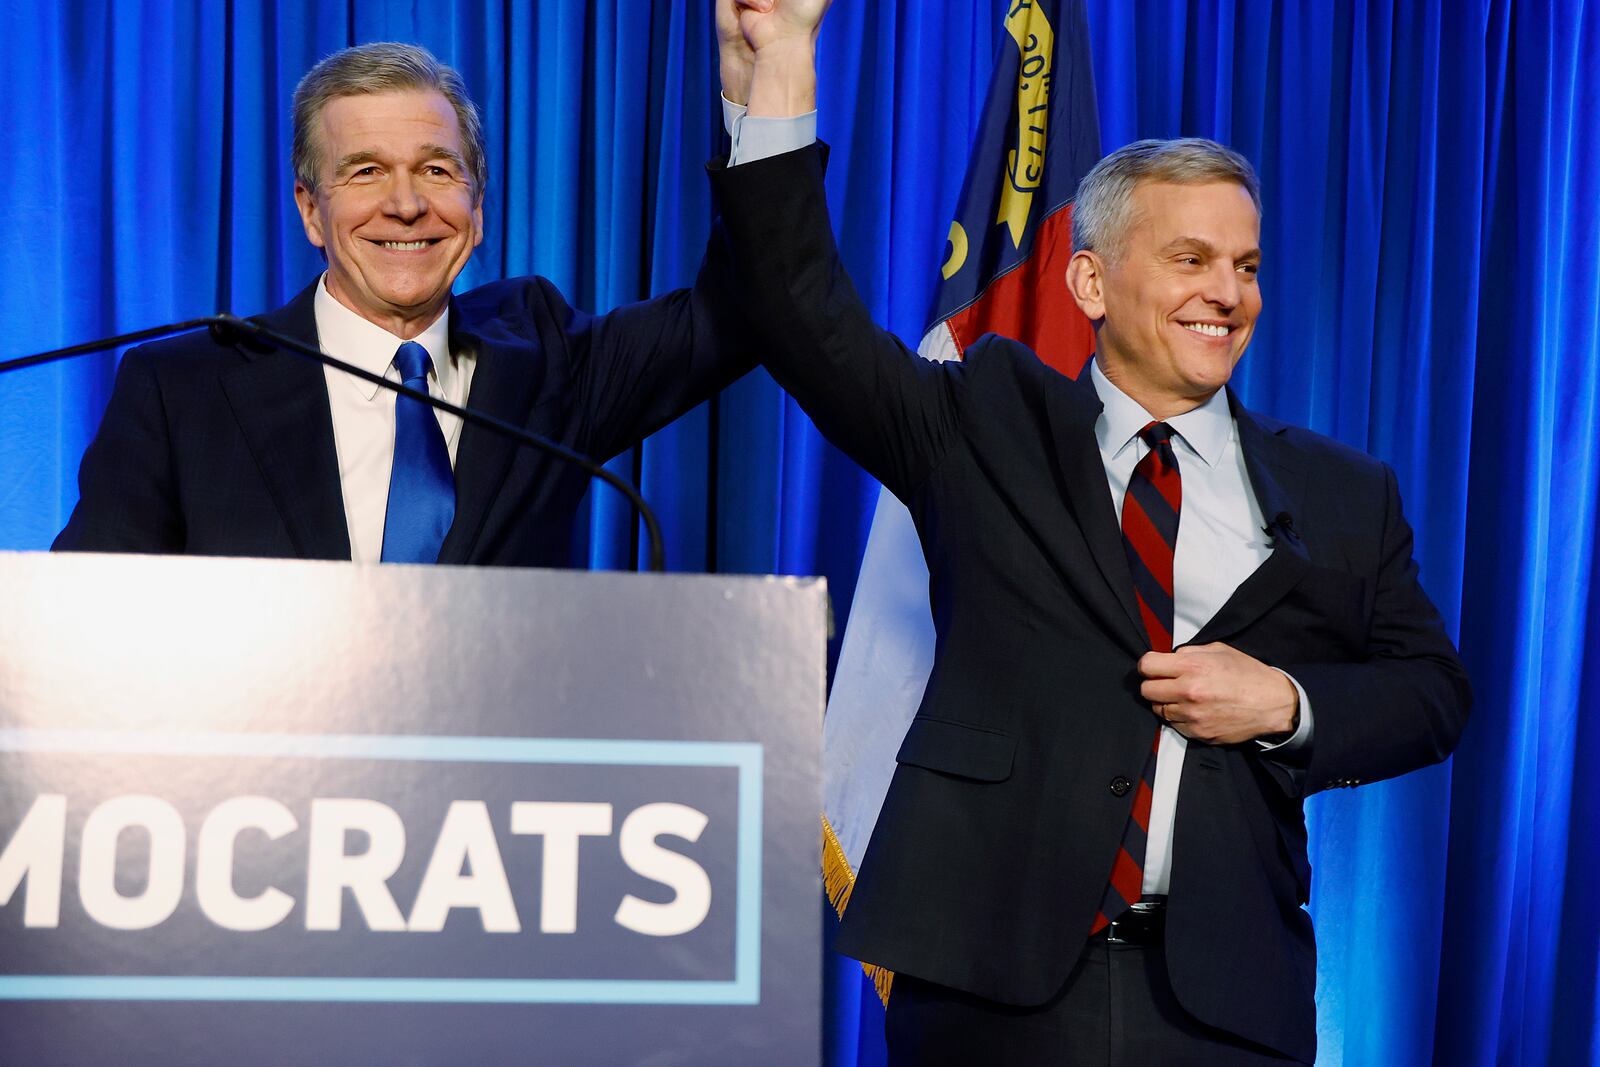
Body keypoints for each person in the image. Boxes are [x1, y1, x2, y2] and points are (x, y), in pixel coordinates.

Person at [714, 1, 1470, 1062]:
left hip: (1222, 997)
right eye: (1192, 259)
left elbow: (1432, 690)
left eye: (1245, 265)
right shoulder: (984, 421)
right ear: (1089, 279)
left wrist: (1285, 700)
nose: (1226, 293)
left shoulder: (1345, 491)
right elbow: (800, 308)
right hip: (991, 983)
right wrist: (779, 61)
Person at [54, 38, 797, 566]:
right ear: (311, 210)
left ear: (477, 211)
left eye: (437, 170)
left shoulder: (550, 363)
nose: (405, 205)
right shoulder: (183, 388)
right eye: (366, 171)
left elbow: (742, 309)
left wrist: (757, 85)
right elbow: (85, 628)